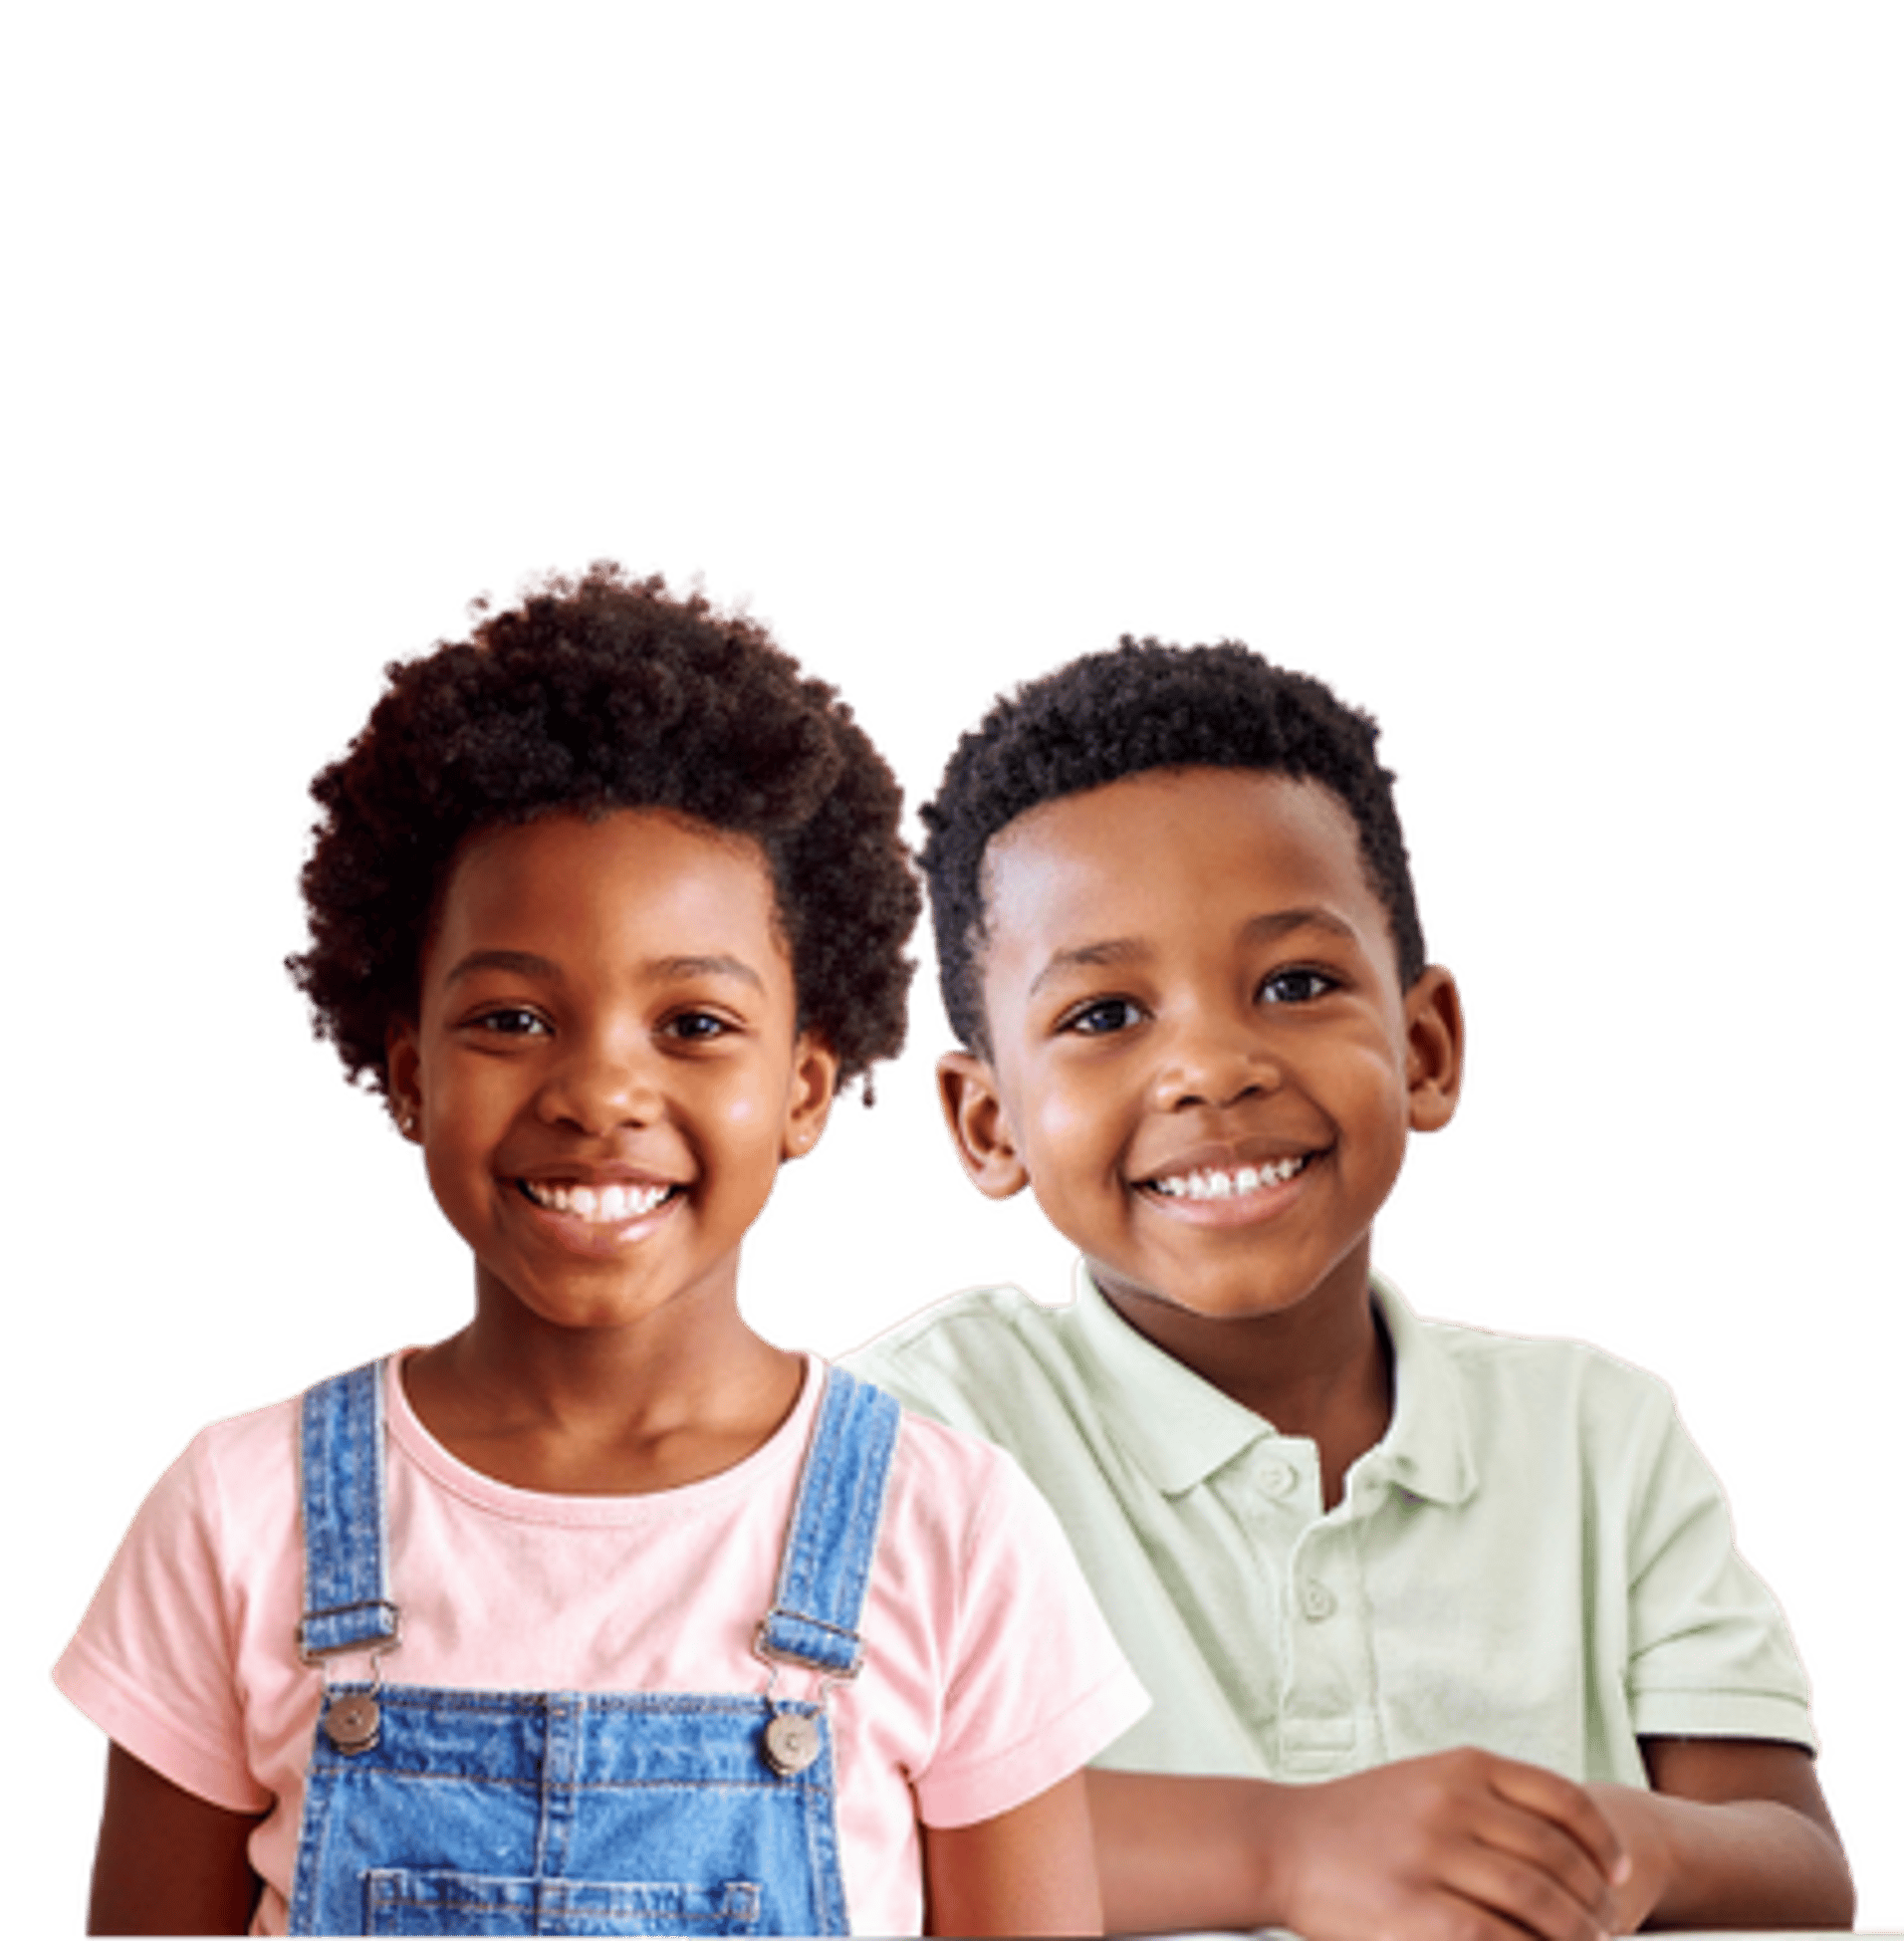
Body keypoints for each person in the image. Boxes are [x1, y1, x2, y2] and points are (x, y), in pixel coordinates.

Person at [48, 557, 1145, 1940]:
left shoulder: (948, 1533)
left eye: (693, 1025)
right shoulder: (237, 1515)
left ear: (805, 1088)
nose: (596, 1094)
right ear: (408, 1069)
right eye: (512, 1019)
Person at [843, 627, 1860, 1937]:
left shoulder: (1599, 1434)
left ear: (1427, 1045)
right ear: (988, 1125)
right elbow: (812, 1820)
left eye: (1296, 983)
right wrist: (1287, 1848)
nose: (1213, 1066)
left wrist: (1625, 1843)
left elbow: (1801, 1872)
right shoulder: (919, 1430)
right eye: (1103, 1015)